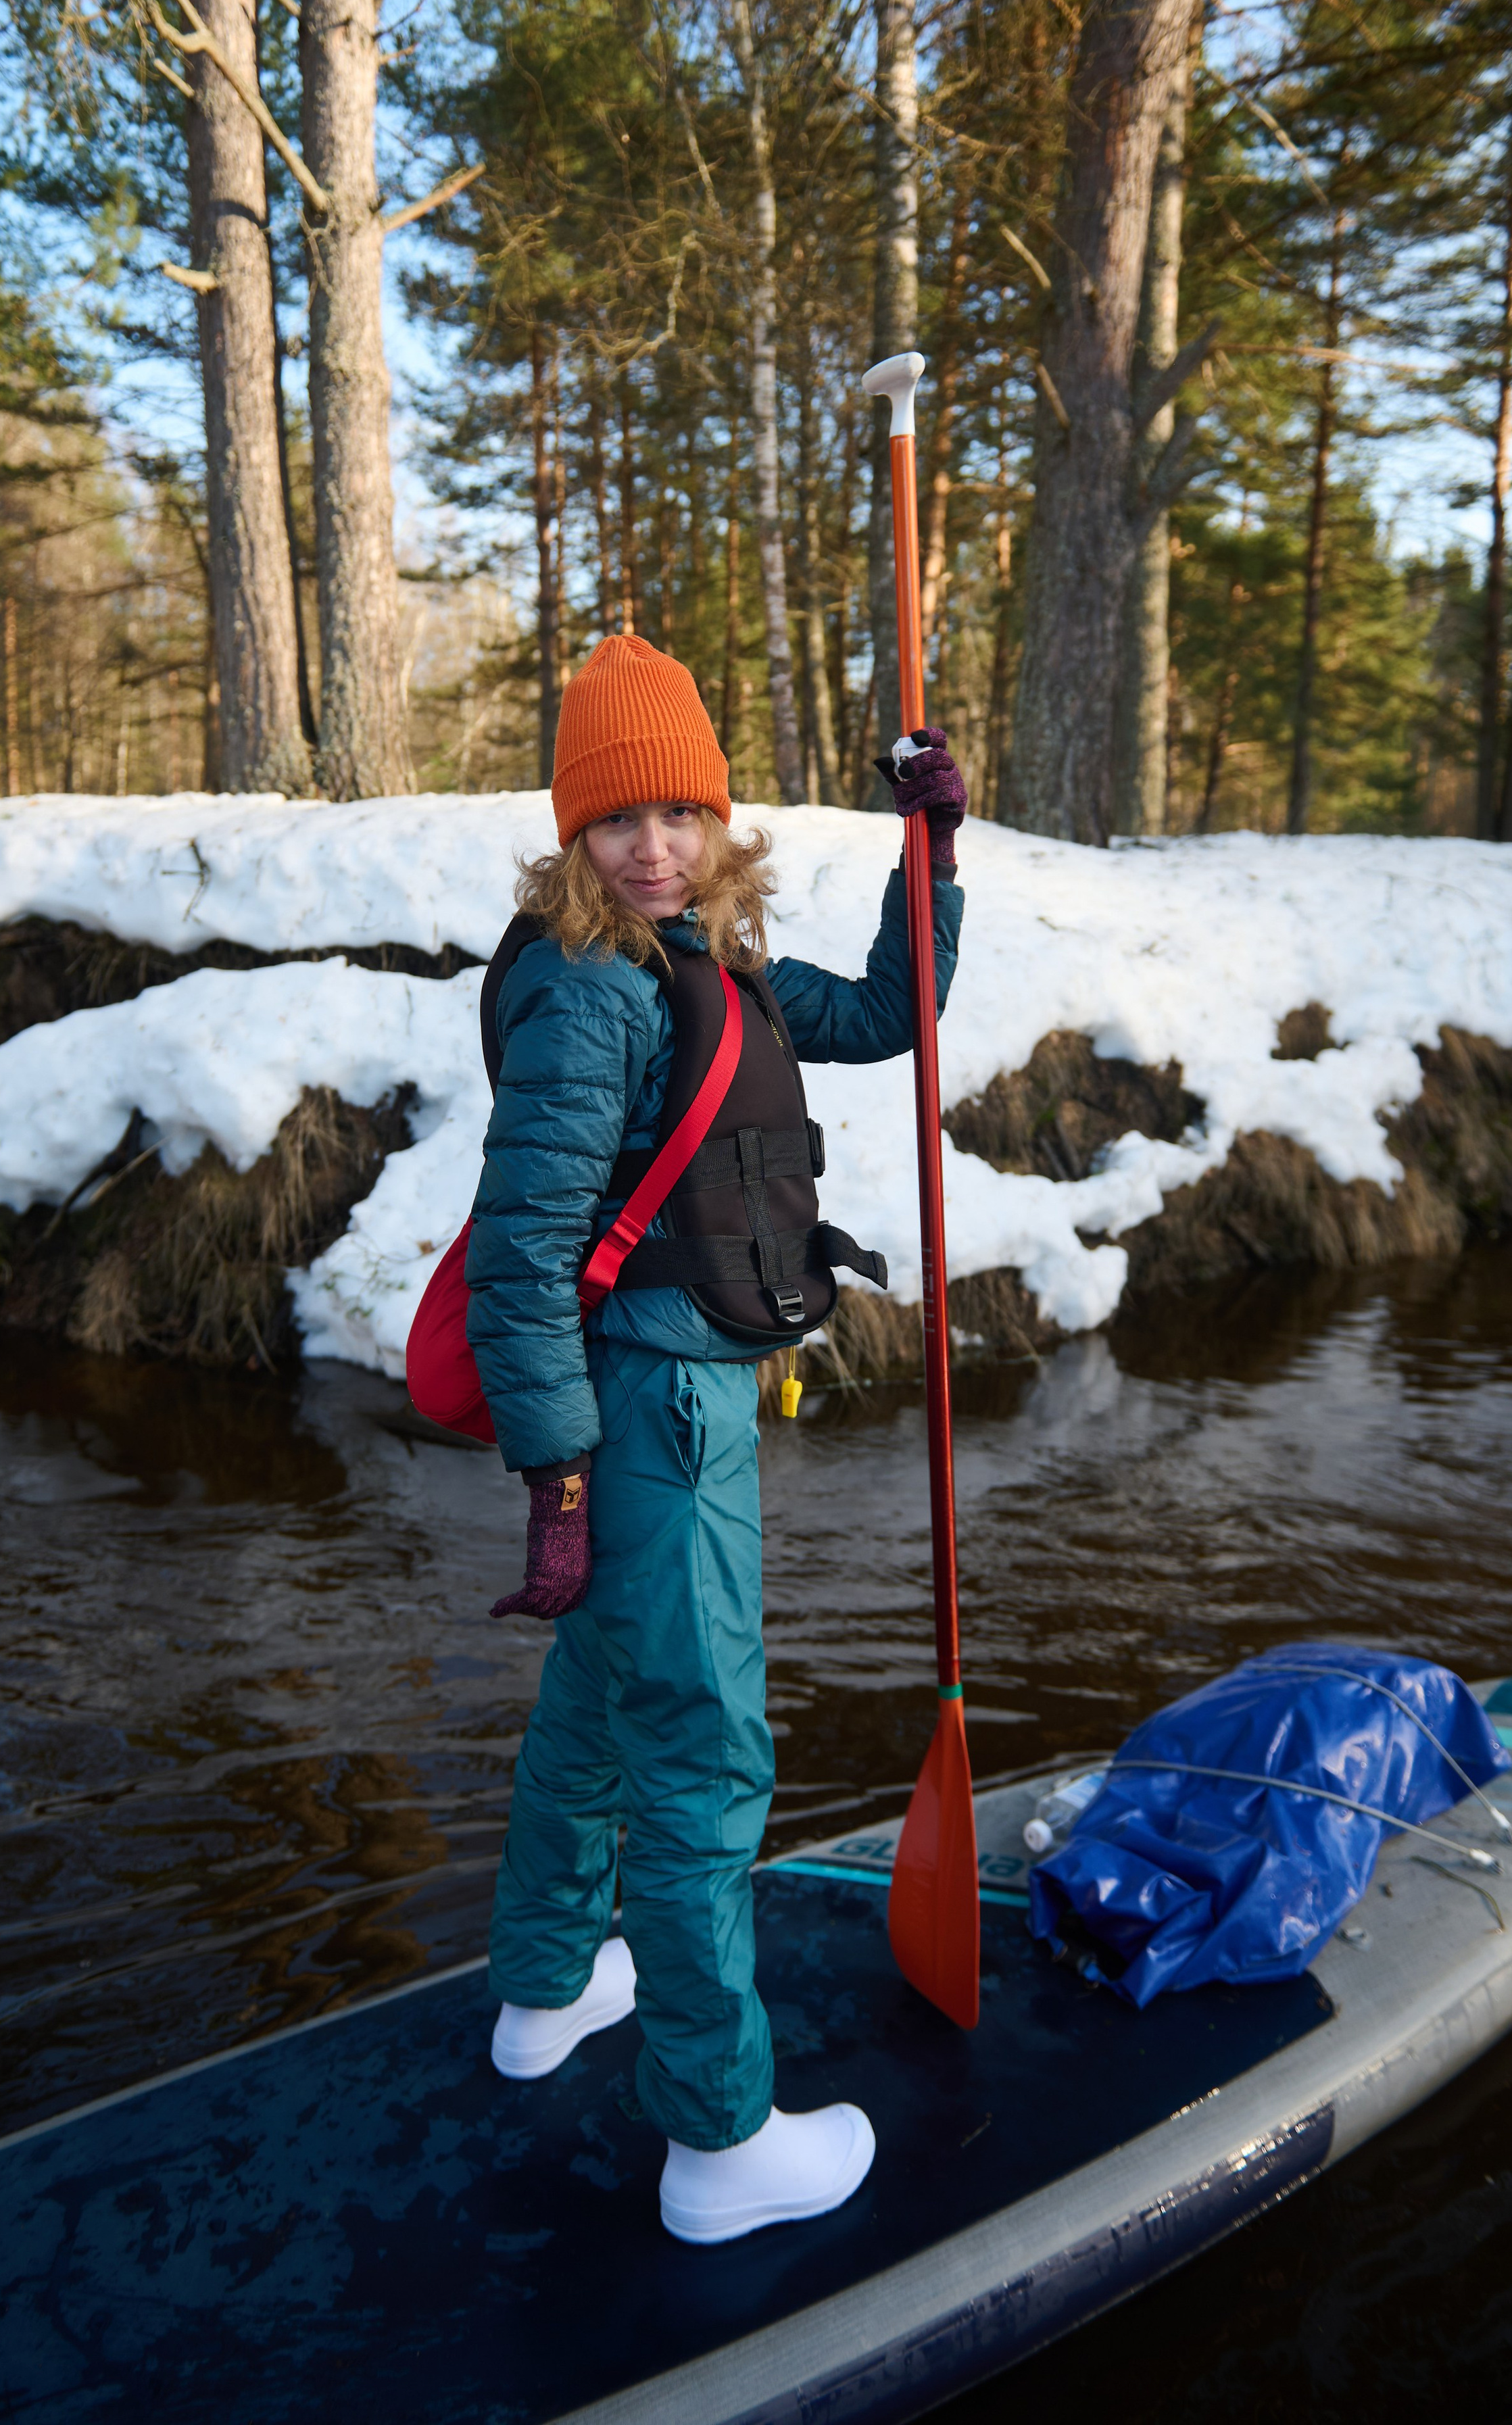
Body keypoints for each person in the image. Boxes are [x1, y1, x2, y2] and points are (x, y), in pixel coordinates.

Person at [467, 631, 965, 2245]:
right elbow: (520, 1255)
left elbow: (890, 1009)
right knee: (702, 1756)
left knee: (597, 1710)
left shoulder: (708, 959)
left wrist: (928, 852)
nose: (652, 845)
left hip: (677, 1398)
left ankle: (547, 1986)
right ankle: (717, 2138)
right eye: (617, 819)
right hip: (654, 1414)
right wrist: (559, 1474)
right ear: (575, 831)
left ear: (715, 818)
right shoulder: (587, 988)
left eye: (677, 812)